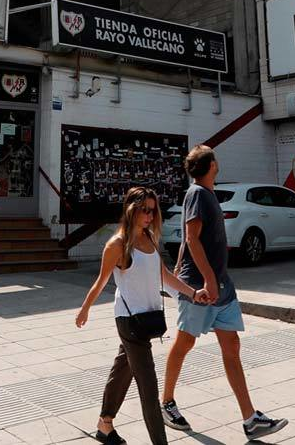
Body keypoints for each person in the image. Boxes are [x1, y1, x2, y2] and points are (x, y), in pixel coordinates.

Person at [160, 145, 288, 440]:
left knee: (231, 348)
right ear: (212, 165)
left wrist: (194, 272)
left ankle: (250, 418)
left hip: (222, 287)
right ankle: (166, 402)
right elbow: (191, 238)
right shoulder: (197, 194)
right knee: (184, 343)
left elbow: (186, 239)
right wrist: (203, 280)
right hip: (203, 288)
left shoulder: (207, 194)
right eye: (215, 156)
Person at [76, 187, 208, 445]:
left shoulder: (149, 238)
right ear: (131, 209)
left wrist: (193, 293)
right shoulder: (117, 245)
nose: (149, 215)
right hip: (129, 321)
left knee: (122, 370)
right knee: (148, 386)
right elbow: (101, 282)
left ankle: (105, 424)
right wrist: (85, 309)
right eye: (144, 210)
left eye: (152, 210)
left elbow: (165, 276)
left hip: (146, 318)